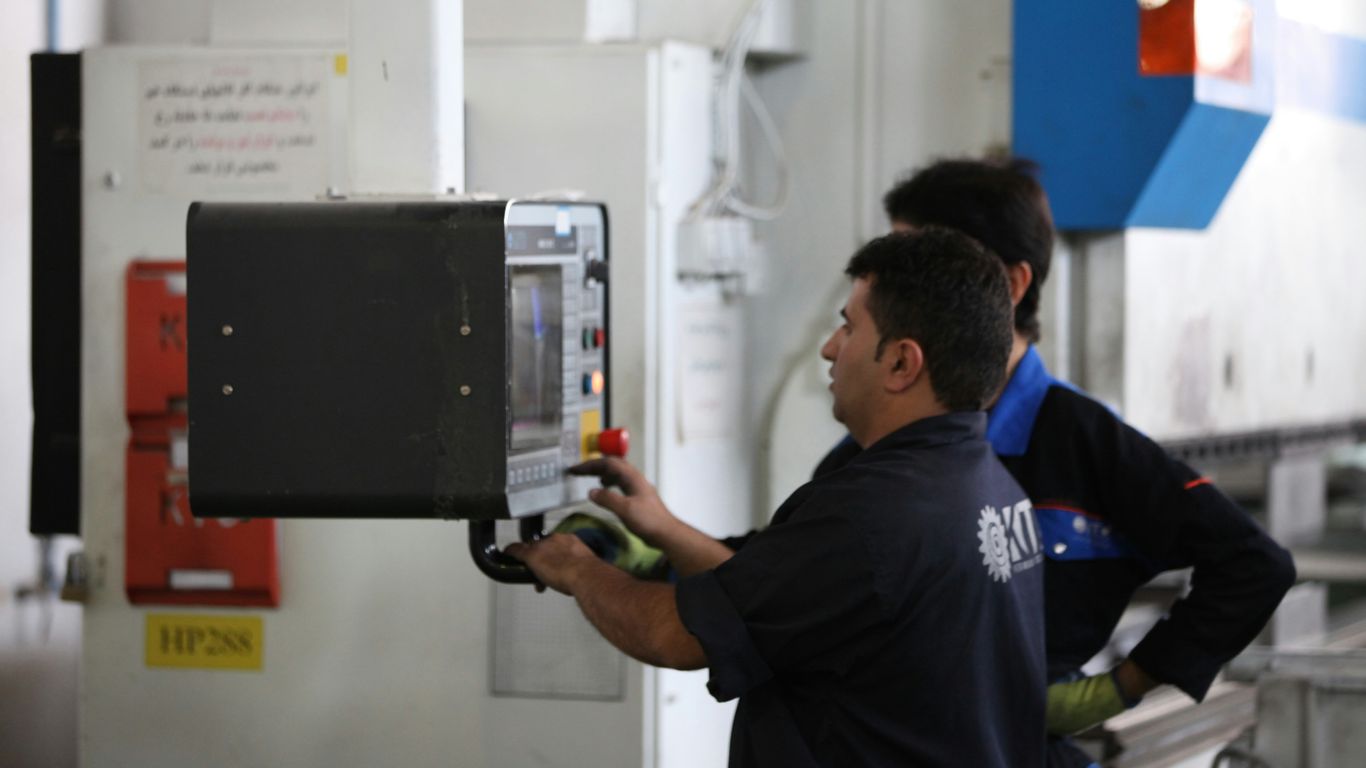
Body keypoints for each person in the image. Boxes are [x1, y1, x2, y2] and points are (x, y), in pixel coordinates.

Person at [813, 158, 1298, 766]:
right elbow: (788, 569)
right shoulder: (873, 447)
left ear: (1012, 285)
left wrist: (1121, 686)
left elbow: (1253, 564)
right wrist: (665, 545)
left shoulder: (1085, 444)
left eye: (924, 261)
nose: (890, 285)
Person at [509, 228, 1046, 767]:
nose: (830, 348)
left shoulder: (872, 516)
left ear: (902, 363)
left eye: (849, 326)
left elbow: (670, 635)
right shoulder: (995, 491)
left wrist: (576, 568)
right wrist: (665, 529)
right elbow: (780, 599)